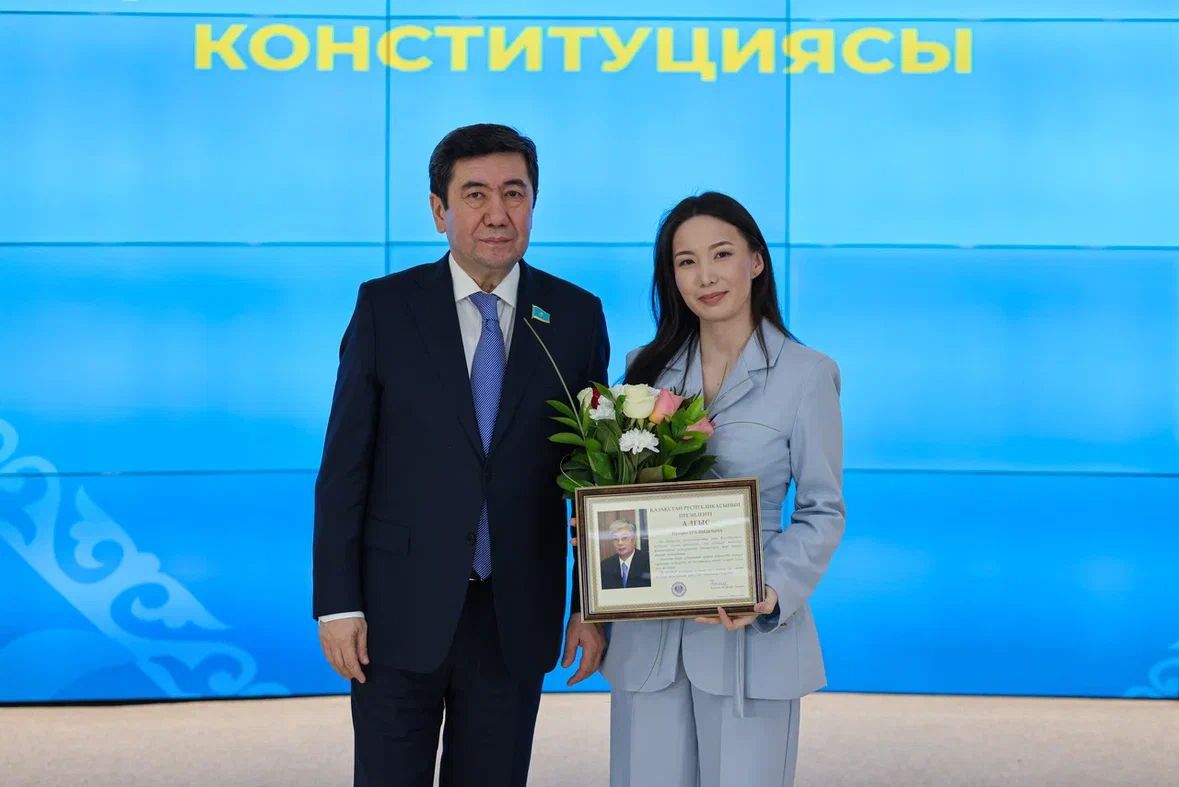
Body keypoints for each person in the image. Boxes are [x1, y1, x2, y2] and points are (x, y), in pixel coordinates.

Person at [312, 123, 610, 787]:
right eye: (475, 194)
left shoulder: (575, 316)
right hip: (396, 611)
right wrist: (337, 604)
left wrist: (591, 606)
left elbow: (593, 478)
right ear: (438, 210)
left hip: (516, 614)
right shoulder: (386, 307)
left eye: (514, 193)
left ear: (533, 204)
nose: (496, 213)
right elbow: (344, 470)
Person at [601, 192, 846, 787]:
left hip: (750, 640)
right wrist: (603, 536)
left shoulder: (807, 374)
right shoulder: (643, 371)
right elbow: (619, 492)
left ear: (755, 261)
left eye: (721, 254)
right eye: (686, 261)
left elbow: (822, 510)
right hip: (649, 641)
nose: (705, 276)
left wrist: (769, 590)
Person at [599, 520, 652, 590]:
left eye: (624, 538)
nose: (620, 543)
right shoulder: (604, 566)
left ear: (633, 540)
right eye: (615, 539)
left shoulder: (649, 561)